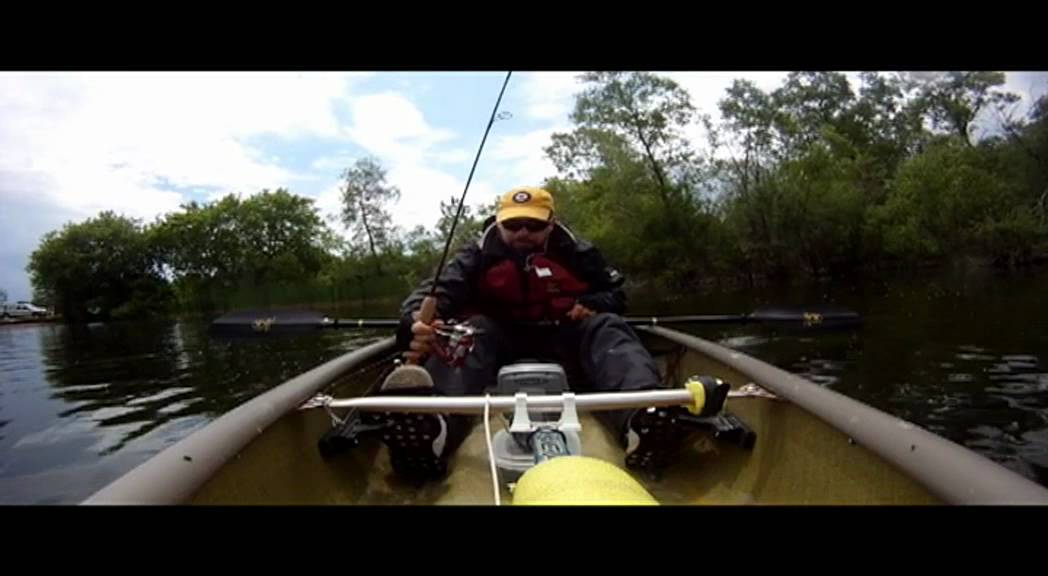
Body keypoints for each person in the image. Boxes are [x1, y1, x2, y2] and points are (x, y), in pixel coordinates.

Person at [370, 186, 727, 480]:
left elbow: (616, 296)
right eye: (514, 225)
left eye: (533, 225)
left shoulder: (577, 251)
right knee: (468, 333)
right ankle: (435, 435)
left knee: (607, 326)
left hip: (563, 336)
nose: (523, 233)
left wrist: (590, 302)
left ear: (550, 224)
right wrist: (412, 322)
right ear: (499, 223)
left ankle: (642, 418)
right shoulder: (475, 255)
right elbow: (432, 294)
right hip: (498, 342)